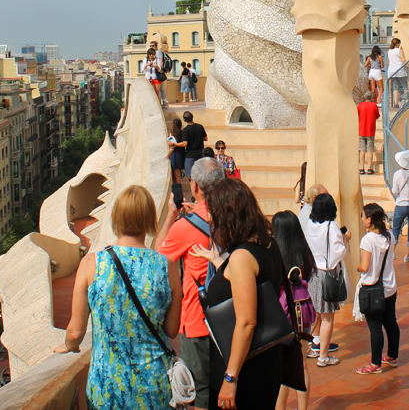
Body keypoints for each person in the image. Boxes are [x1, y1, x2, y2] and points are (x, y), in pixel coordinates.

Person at [53, 185, 183, 409]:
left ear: (115, 217)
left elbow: (75, 332)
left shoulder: (92, 264)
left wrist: (68, 344)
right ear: (150, 219)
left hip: (107, 387)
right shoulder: (167, 267)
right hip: (153, 386)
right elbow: (172, 330)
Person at [191, 179, 284, 410]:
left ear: (228, 214)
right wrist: (220, 263)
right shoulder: (267, 243)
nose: (210, 220)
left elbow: (246, 322)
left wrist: (230, 378)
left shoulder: (242, 257)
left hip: (244, 367)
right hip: (265, 359)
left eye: (213, 213)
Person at [155, 157, 226, 410]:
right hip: (233, 319)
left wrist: (172, 217)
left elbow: (158, 260)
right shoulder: (236, 217)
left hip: (199, 321)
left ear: (194, 186)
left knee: (201, 390)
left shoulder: (183, 227)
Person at [271, 210, 317, 410]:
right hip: (302, 315)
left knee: (281, 371)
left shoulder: (273, 252)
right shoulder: (304, 252)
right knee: (302, 365)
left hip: (281, 316)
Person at [302, 193, 348, 366]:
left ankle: (309, 347)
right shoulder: (332, 226)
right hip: (327, 274)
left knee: (315, 314)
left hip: (313, 273)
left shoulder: (310, 225)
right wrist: (345, 240)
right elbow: (338, 252)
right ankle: (323, 356)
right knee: (328, 317)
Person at [354, 203, 400, 375]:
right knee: (390, 323)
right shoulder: (389, 236)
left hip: (372, 289)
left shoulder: (367, 240)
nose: (362, 219)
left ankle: (375, 364)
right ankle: (392, 356)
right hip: (389, 287)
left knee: (375, 328)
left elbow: (365, 267)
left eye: (363, 216)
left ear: (370, 219)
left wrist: (357, 268)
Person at [357, 91, 380, 175]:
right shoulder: (374, 106)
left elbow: (356, 114)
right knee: (370, 150)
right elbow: (377, 116)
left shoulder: (361, 105)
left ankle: (361, 168)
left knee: (362, 150)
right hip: (370, 131)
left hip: (361, 130)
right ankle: (369, 168)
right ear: (372, 98)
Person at [181, 111, 207, 179]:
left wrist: (174, 144)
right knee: (200, 176)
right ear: (192, 117)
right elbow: (206, 138)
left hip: (190, 155)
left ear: (184, 120)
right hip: (200, 154)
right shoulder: (200, 127)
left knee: (191, 177)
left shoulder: (185, 130)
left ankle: (193, 189)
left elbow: (185, 143)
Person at [386, 38, 406, 109]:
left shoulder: (389, 51)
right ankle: (407, 101)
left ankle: (396, 103)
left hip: (392, 71)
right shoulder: (399, 50)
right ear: (398, 44)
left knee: (395, 87)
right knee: (404, 86)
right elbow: (403, 59)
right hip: (400, 70)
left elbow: (388, 62)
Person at [167, 117, 187, 184]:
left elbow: (172, 147)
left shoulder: (172, 135)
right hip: (181, 154)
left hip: (175, 155)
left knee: (176, 176)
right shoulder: (183, 133)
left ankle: (179, 192)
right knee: (177, 175)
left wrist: (168, 155)